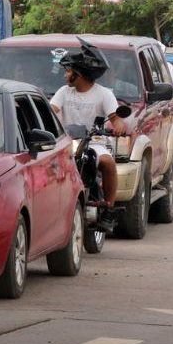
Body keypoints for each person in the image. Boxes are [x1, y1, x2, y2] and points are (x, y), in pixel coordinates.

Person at [50, 41, 127, 226]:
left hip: (94, 142)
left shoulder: (104, 94)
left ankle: (109, 208)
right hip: (67, 142)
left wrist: (118, 126)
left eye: (69, 71)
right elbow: (52, 110)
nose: (66, 74)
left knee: (108, 164)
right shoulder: (63, 92)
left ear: (80, 74)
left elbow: (116, 118)